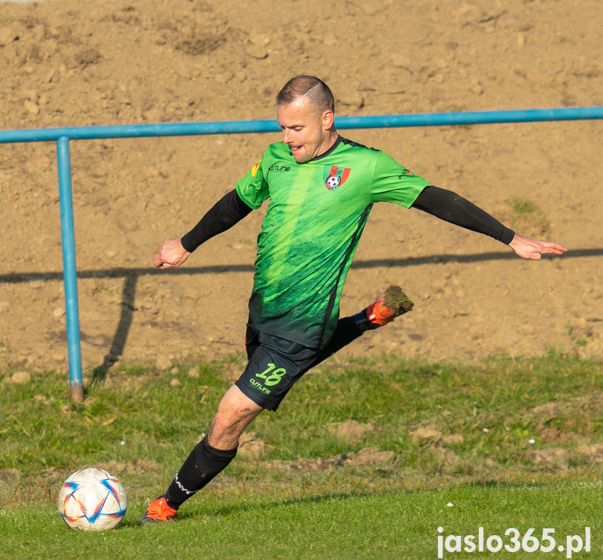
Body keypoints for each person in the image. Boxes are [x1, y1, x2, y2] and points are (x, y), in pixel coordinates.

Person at [141, 75, 567, 524]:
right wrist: (186, 244)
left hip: (302, 323)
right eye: (282, 128)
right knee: (271, 374)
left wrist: (510, 237)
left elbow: (435, 199)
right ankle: (370, 318)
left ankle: (167, 504)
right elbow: (237, 202)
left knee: (233, 412)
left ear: (327, 120)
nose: (287, 139)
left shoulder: (366, 167)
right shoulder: (275, 159)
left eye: (297, 129)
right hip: (263, 310)